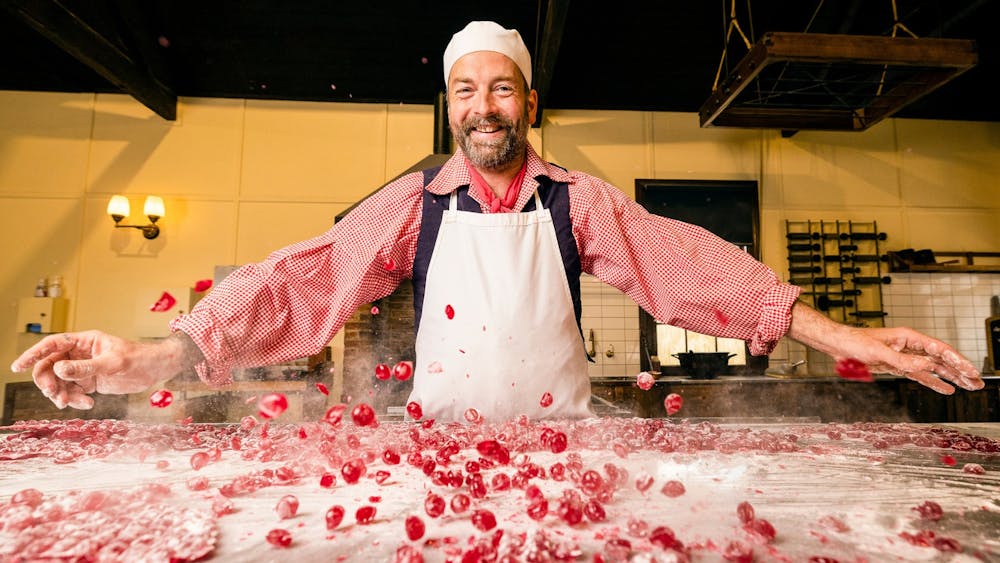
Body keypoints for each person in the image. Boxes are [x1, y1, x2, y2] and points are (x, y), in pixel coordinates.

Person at [11, 21, 983, 422]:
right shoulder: (413, 207)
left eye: (503, 87)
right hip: (444, 453)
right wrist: (158, 354)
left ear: (528, 104)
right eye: (466, 90)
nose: (484, 107)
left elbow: (685, 264)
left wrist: (846, 335)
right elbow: (302, 279)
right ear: (450, 107)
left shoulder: (577, 200)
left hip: (567, 451)